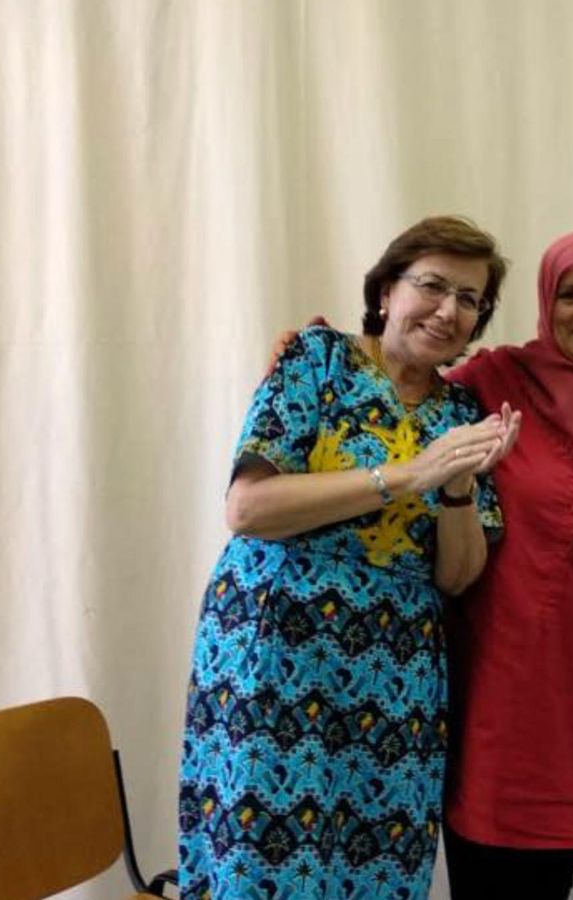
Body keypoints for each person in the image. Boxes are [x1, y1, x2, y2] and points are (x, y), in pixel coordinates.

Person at [262, 231, 573, 900]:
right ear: (544, 301)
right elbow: (402, 391)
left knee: (549, 883)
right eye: (570, 294)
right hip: (492, 691)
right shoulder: (491, 383)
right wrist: (320, 360)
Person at [178, 215, 521, 900]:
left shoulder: (463, 410)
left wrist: (454, 486)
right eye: (432, 285)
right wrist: (407, 475)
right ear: (387, 289)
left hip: (394, 685)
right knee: (261, 864)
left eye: (469, 299)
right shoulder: (317, 361)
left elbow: (455, 577)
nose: (448, 309)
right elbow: (249, 509)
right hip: (276, 661)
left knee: (377, 869)